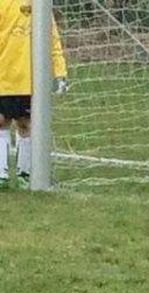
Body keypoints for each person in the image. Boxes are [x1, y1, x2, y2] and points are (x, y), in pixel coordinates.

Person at [0, 1, 68, 189]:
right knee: (1, 122)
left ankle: (26, 173)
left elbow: (52, 39)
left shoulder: (39, 5)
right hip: (3, 76)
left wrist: (60, 72)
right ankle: (1, 174)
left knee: (27, 124)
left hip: (30, 80)